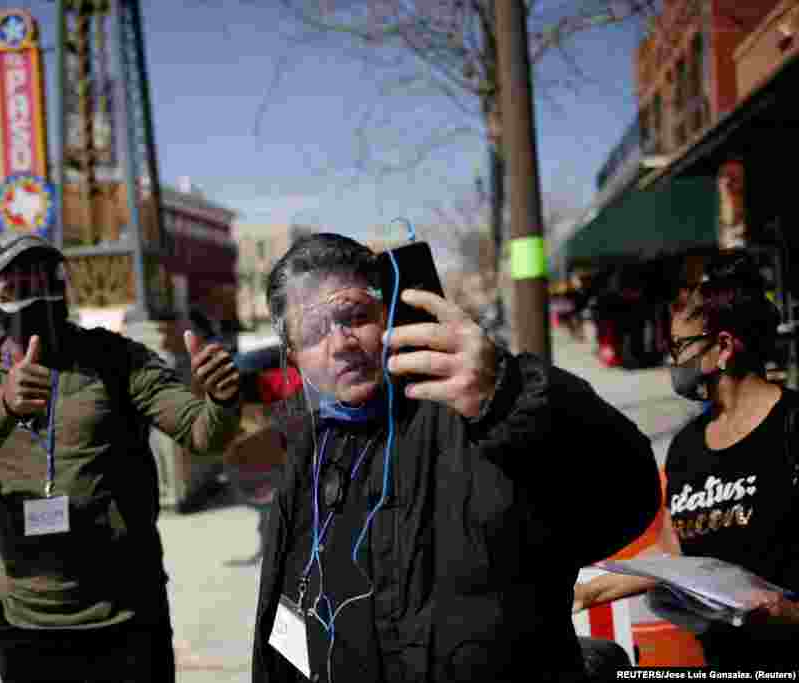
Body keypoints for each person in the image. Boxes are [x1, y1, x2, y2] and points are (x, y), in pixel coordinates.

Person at [250, 233, 661, 683]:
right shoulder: (307, 455)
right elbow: (283, 626)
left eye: (354, 316)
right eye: (313, 332)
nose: (340, 342)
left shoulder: (475, 410)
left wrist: (510, 397)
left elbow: (626, 497)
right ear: (293, 358)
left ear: (389, 313)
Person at [0, 231, 242, 683]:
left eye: (47, 279)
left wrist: (222, 400)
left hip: (127, 620)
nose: (37, 295)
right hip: (28, 627)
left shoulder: (118, 359)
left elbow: (201, 433)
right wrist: (2, 409)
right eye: (17, 287)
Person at [573, 251, 799, 669]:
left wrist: (786, 615)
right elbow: (674, 556)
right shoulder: (686, 448)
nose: (672, 361)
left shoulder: (790, 428)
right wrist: (589, 592)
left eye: (679, 347)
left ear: (724, 348)